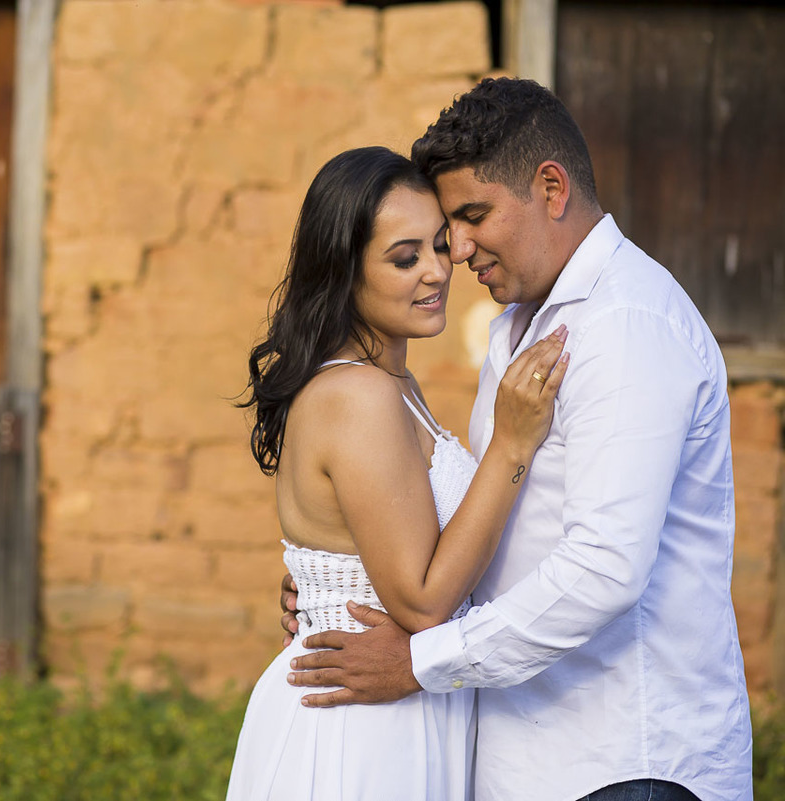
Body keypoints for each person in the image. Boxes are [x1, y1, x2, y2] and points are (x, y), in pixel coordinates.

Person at [282, 78, 753, 801]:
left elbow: (605, 568)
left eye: (470, 218)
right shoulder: (518, 327)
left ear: (552, 189)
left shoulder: (626, 325)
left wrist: (421, 661)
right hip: (521, 755)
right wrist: (336, 581)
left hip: (622, 756)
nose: (457, 251)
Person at [225, 145, 569, 800]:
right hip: (360, 726)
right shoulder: (359, 394)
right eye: (405, 257)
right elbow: (420, 598)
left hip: (402, 703)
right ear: (344, 271)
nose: (437, 271)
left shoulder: (395, 382)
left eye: (441, 246)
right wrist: (510, 443)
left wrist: (321, 585)